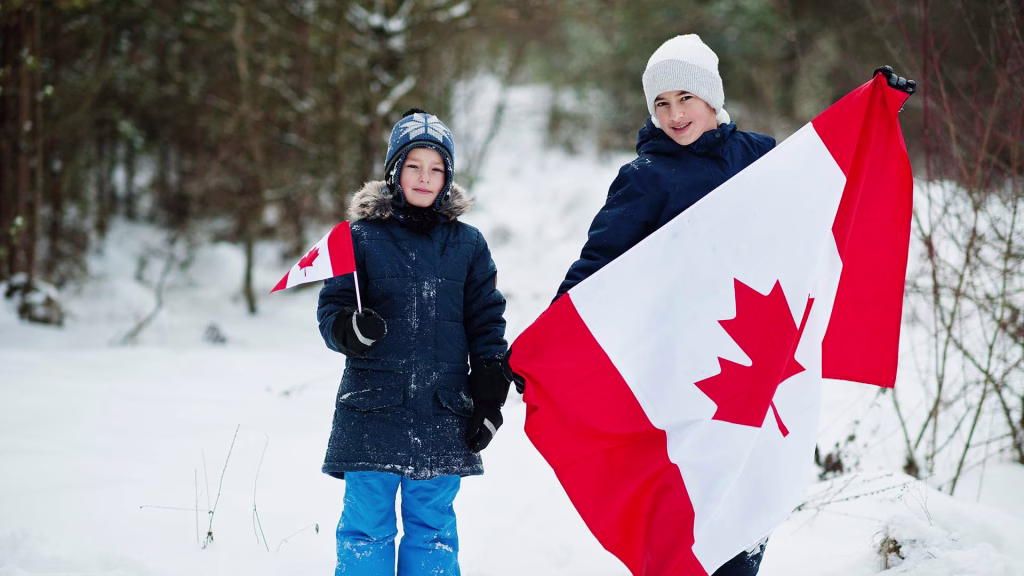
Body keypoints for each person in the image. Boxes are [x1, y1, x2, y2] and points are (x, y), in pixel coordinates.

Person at [533, 34, 777, 575]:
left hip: (755, 362)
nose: (673, 113)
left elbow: (830, 186)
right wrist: (549, 343)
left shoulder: (764, 158)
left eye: (685, 97)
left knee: (746, 506)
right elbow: (597, 262)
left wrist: (880, 109)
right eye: (661, 103)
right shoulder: (645, 178)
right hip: (682, 369)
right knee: (689, 510)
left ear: (712, 98)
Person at [317, 108, 511, 576]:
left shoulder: (468, 244)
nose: (425, 178)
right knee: (366, 527)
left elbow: (487, 319)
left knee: (434, 529)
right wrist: (349, 328)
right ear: (393, 171)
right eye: (413, 166)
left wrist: (488, 393)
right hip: (372, 409)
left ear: (447, 176)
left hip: (443, 411)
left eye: (436, 168)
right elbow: (332, 309)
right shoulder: (359, 238)